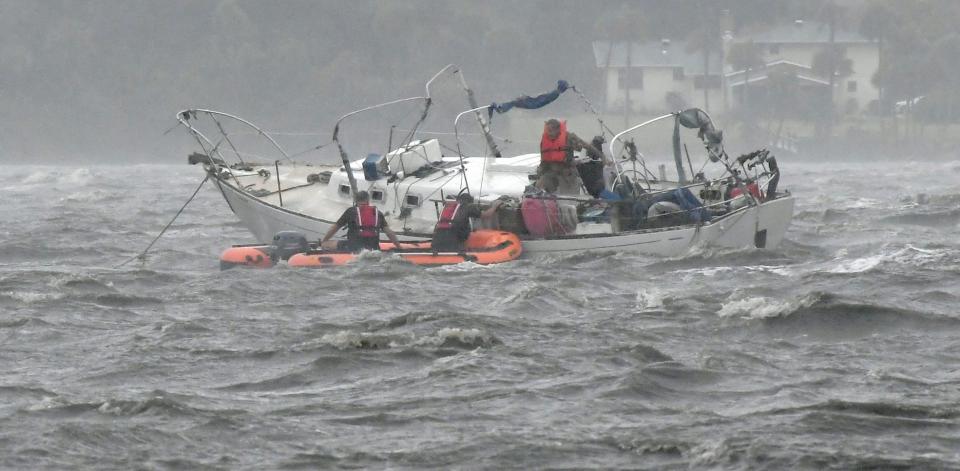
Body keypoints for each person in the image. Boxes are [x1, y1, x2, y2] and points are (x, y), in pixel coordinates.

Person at [537, 118, 610, 194]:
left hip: (567, 174)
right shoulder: (545, 140)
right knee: (540, 187)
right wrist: (540, 171)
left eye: (551, 131)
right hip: (550, 173)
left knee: (570, 199)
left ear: (558, 130)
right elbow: (543, 160)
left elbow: (587, 146)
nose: (549, 133)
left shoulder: (569, 137)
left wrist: (603, 157)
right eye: (547, 130)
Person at [319, 190, 401, 252]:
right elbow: (389, 233)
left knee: (326, 244)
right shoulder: (377, 213)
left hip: (353, 248)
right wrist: (399, 247)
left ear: (355, 201)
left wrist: (324, 240)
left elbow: (334, 228)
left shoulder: (351, 211)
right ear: (368, 201)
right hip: (374, 248)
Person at [431, 193, 502, 252]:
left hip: (437, 238)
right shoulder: (468, 206)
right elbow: (486, 215)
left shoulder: (448, 207)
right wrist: (494, 206)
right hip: (453, 239)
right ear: (469, 202)